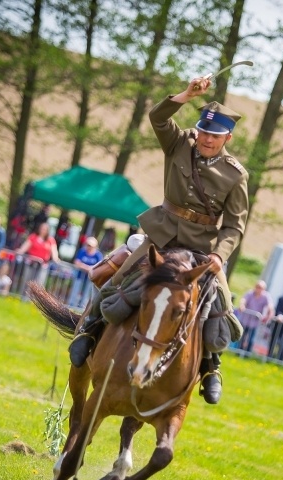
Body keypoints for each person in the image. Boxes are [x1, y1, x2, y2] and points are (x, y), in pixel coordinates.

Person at [67, 75, 249, 405]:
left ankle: (211, 367)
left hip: (201, 249)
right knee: (119, 280)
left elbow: (234, 227)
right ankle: (89, 331)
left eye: (215, 135)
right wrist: (186, 94)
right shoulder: (179, 144)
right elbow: (157, 117)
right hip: (162, 236)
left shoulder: (236, 175)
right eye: (205, 132)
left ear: (227, 138)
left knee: (221, 303)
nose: (207, 139)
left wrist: (220, 256)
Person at [15, 221, 60, 288]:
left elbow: (54, 251)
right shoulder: (33, 237)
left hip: (43, 265)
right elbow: (25, 246)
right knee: (27, 281)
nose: (43, 230)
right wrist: (20, 251)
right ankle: (24, 296)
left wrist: (56, 258)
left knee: (39, 283)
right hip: (31, 263)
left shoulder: (50, 240)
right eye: (42, 228)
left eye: (45, 229)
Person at [238, 280, 274, 353]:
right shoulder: (250, 293)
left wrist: (269, 315)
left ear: (263, 289)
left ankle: (247, 354)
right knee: (242, 337)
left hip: (255, 322)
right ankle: (238, 352)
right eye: (257, 287)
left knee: (251, 339)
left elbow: (270, 306)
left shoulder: (266, 296)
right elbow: (243, 300)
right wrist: (242, 305)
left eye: (260, 288)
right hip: (245, 320)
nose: (258, 289)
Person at [68, 236, 104, 309]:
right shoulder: (82, 251)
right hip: (79, 276)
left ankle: (82, 308)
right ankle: (71, 306)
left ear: (95, 246)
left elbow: (99, 266)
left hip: (90, 279)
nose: (89, 247)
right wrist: (89, 268)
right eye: (87, 245)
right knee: (75, 291)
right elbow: (77, 262)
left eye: (90, 245)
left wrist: (84, 267)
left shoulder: (98, 255)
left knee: (86, 294)